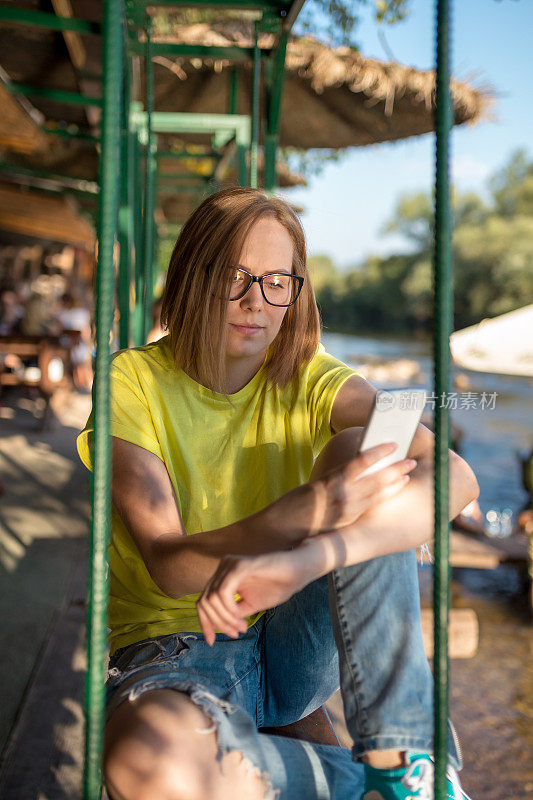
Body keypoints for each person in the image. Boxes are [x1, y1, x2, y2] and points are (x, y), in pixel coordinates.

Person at [77, 188, 479, 800]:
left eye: (276, 282)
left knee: (368, 451)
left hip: (293, 641)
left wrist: (307, 557)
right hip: (175, 653)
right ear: (192, 275)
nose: (255, 302)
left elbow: (454, 475)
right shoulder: (130, 382)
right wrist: (304, 514)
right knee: (150, 765)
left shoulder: (312, 375)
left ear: (296, 291)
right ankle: (384, 785)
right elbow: (169, 565)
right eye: (234, 276)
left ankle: (408, 756)